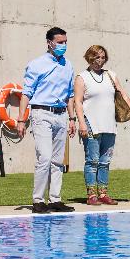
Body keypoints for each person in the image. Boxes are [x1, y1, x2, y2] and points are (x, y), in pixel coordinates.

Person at [18, 26, 77, 214]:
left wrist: (72, 118)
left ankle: (55, 199)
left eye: (65, 42)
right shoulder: (36, 64)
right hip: (41, 113)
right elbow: (26, 93)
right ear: (49, 43)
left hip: (61, 114)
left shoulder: (68, 65)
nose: (63, 45)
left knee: (58, 160)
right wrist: (21, 119)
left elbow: (70, 95)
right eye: (60, 42)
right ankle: (38, 200)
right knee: (44, 157)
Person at [75, 44, 130, 205]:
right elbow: (77, 102)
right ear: (90, 57)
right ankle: (91, 195)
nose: (100, 60)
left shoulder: (111, 75)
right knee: (93, 160)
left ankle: (103, 193)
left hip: (109, 125)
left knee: (105, 161)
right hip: (91, 124)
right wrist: (81, 124)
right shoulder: (82, 77)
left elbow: (122, 93)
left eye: (103, 57)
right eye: (97, 57)